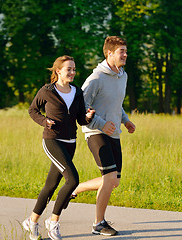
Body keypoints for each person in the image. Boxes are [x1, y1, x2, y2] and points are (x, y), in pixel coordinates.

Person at [65, 36, 136, 236]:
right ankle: (99, 224)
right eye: (121, 51)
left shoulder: (123, 75)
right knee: (109, 177)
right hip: (95, 131)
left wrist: (125, 120)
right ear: (109, 53)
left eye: (126, 51)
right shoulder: (96, 78)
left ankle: (76, 188)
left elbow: (116, 103)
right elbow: (81, 106)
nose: (125, 55)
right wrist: (101, 124)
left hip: (113, 132)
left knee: (114, 181)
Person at [22, 55, 95, 240]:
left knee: (51, 185)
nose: (72, 72)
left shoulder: (77, 92)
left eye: (74, 69)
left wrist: (88, 117)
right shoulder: (47, 91)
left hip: (71, 142)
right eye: (68, 69)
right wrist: (44, 121)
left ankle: (32, 220)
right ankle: (53, 221)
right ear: (58, 71)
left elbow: (79, 119)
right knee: (73, 180)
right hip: (52, 140)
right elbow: (32, 110)